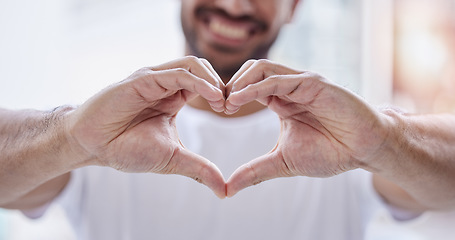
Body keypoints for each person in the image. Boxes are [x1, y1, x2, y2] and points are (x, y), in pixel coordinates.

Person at [1, 0, 455, 239]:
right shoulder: (101, 129)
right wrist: (69, 138)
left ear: (293, 6)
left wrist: (385, 142)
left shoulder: (343, 131)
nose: (235, 5)